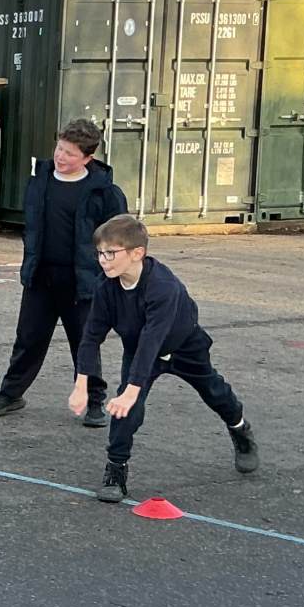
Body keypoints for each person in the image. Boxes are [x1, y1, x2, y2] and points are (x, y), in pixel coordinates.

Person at [71, 213, 256, 503]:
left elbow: (152, 340)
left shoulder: (162, 286)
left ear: (137, 253)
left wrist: (131, 391)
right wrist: (81, 384)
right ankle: (116, 469)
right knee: (126, 411)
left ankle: (240, 428)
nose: (103, 260)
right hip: (139, 348)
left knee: (215, 392)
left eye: (110, 253)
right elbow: (91, 335)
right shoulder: (106, 286)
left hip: (183, 345)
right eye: (100, 253)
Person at [0, 118, 126, 426]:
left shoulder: (105, 192)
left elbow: (120, 237)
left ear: (88, 157)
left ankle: (95, 402)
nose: (61, 156)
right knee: (28, 339)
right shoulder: (40, 179)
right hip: (41, 277)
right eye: (59, 149)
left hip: (82, 282)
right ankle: (10, 394)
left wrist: (112, 276)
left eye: (70, 153)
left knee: (85, 343)